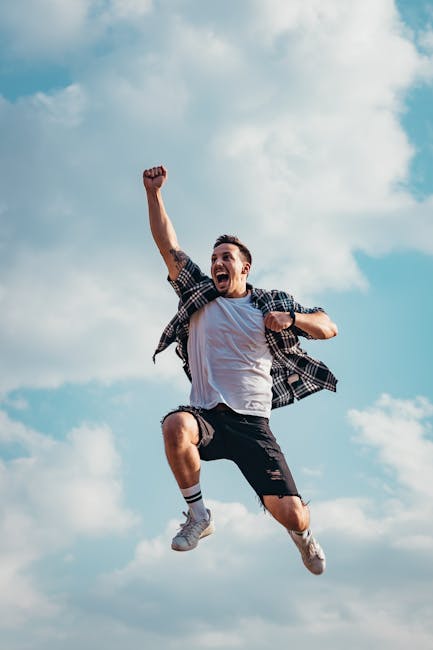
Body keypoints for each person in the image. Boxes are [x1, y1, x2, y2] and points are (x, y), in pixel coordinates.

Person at [143, 164, 338, 575]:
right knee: (175, 425)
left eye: (226, 258)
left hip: (252, 424)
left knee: (293, 514)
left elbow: (328, 326)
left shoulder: (268, 302)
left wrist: (292, 319)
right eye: (214, 257)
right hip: (207, 415)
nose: (217, 263)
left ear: (244, 268)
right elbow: (168, 246)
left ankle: (302, 537)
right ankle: (199, 516)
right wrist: (154, 193)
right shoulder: (198, 292)